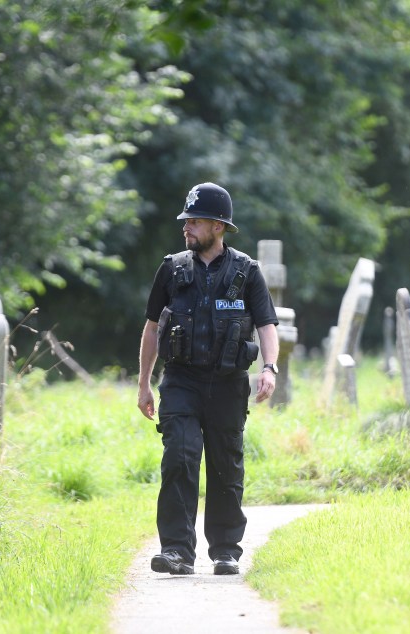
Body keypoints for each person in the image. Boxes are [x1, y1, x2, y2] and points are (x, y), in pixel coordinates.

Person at [137, 182, 280, 576]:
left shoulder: (246, 272)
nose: (187, 227)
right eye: (186, 220)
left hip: (229, 383)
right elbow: (151, 328)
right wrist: (143, 383)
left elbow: (267, 325)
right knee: (179, 457)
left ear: (218, 226)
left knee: (224, 465)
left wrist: (269, 367)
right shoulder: (171, 269)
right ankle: (177, 551)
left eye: (195, 221)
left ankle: (225, 550)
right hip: (181, 381)